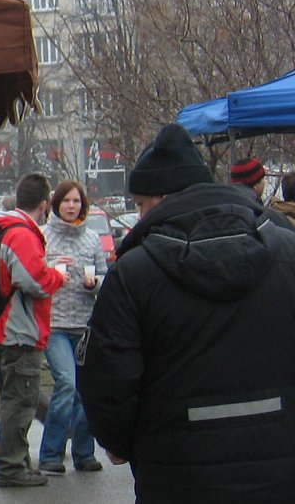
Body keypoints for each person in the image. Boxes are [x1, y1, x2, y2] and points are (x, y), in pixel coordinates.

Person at [80, 123, 295, 501]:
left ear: (162, 198)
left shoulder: (134, 273)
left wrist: (124, 443)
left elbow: (108, 381)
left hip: (176, 473)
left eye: (141, 204)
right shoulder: (288, 251)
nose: (138, 215)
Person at [0, 172, 65, 488]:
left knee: (13, 397)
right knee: (20, 400)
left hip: (1, 326)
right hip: (18, 331)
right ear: (45, 205)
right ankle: (12, 467)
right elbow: (34, 280)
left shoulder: (5, 230)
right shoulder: (22, 235)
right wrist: (58, 277)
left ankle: (17, 462)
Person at [36, 180, 104, 474]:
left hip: (84, 325)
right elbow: (34, 277)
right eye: (66, 201)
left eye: (76, 201)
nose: (71, 206)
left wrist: (95, 282)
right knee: (66, 383)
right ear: (55, 204)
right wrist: (52, 271)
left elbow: (104, 275)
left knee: (85, 391)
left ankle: (83, 452)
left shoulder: (91, 239)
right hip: (55, 325)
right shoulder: (42, 236)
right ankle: (50, 454)